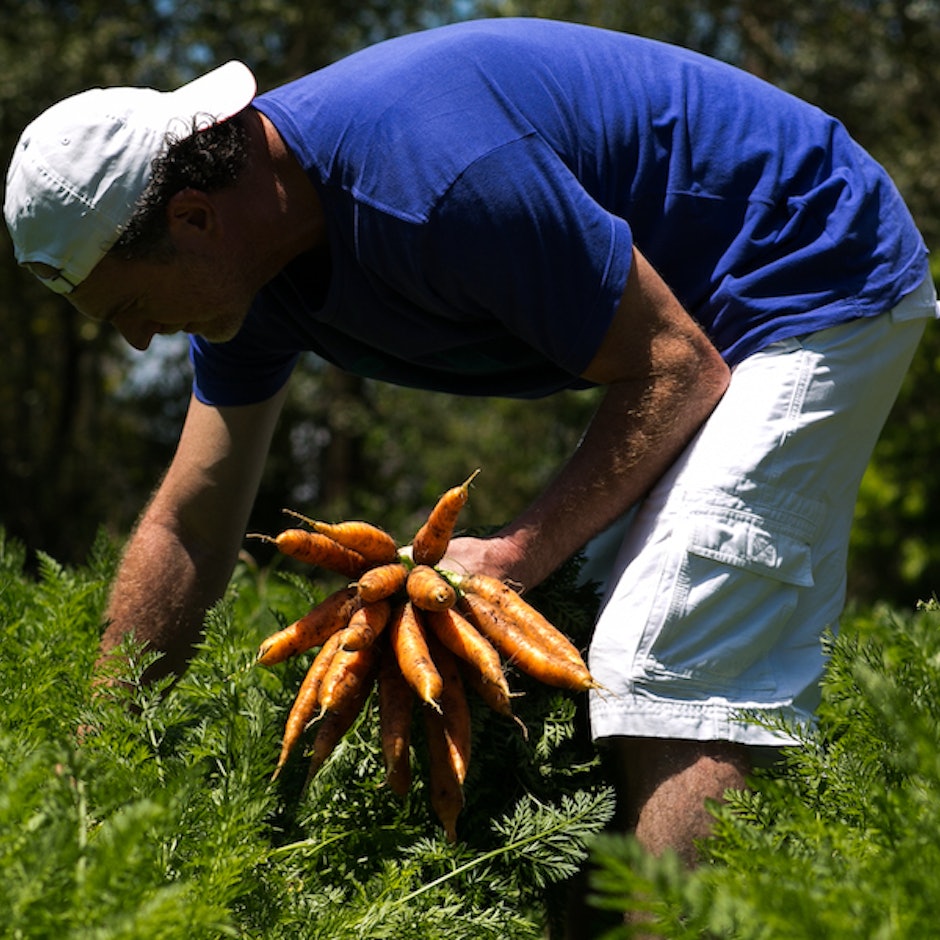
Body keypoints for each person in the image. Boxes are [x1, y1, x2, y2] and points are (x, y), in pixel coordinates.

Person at [5, 14, 936, 898]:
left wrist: (510, 556)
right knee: (569, 670)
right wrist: (102, 748)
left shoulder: (430, 175)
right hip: (690, 328)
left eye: (130, 309)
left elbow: (673, 366)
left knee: (666, 659)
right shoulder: (251, 276)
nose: (137, 345)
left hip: (801, 269)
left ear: (195, 218)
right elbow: (192, 521)